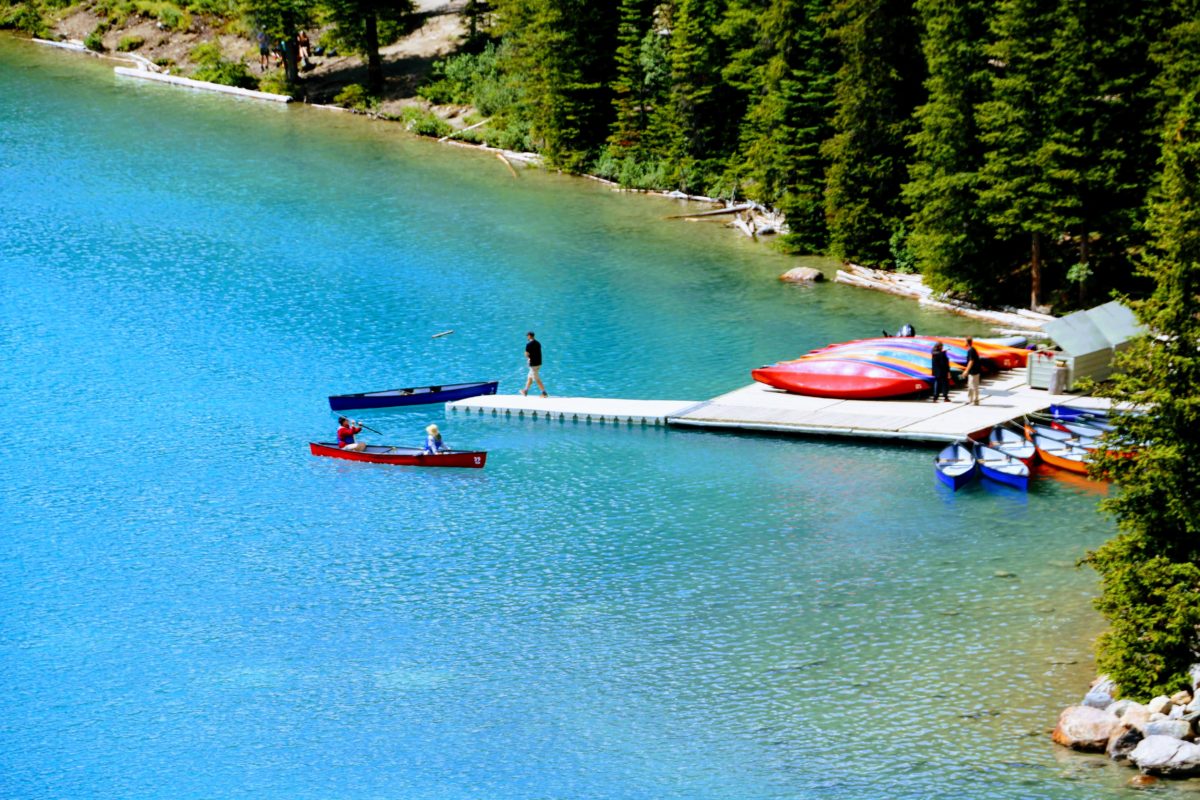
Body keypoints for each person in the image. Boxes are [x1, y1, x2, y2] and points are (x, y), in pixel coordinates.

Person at [520, 331, 548, 397]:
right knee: (530, 377)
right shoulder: (538, 343)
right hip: (539, 363)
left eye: (527, 336)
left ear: (529, 336)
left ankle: (544, 393)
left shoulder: (529, 344)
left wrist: (528, 359)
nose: (527, 337)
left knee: (536, 379)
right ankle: (525, 391)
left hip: (533, 365)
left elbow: (526, 354)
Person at [962, 337, 982, 405]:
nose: (964, 343)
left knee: (974, 386)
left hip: (974, 371)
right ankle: (970, 399)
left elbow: (971, 361)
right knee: (970, 386)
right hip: (972, 371)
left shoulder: (971, 350)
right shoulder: (971, 349)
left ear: (967, 342)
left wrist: (966, 371)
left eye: (964, 341)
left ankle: (976, 400)